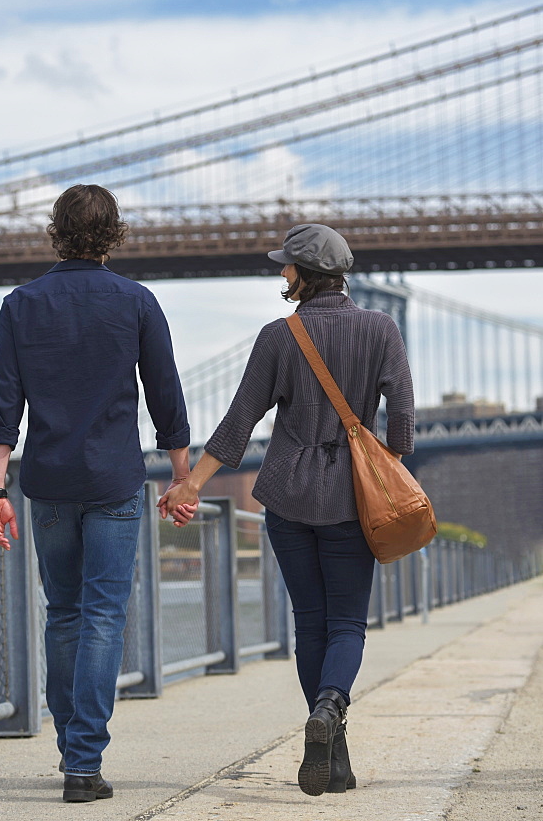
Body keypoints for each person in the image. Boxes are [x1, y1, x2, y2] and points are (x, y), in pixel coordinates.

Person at [159, 222, 414, 797]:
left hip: (288, 496)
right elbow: (401, 421)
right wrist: (383, 472)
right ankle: (330, 708)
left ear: (303, 273)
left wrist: (192, 485)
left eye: (286, 266)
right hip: (353, 498)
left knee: (311, 622)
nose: (282, 273)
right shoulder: (381, 329)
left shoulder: (279, 335)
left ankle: (333, 745)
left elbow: (238, 423)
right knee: (348, 622)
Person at [0, 184, 194, 804]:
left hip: (46, 484)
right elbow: (166, 395)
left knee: (64, 615)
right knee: (103, 616)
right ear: (114, 233)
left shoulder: (20, 304)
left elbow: (3, 403)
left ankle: (71, 752)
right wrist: (181, 476)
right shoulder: (136, 301)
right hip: (113, 482)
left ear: (56, 230)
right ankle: (83, 763)